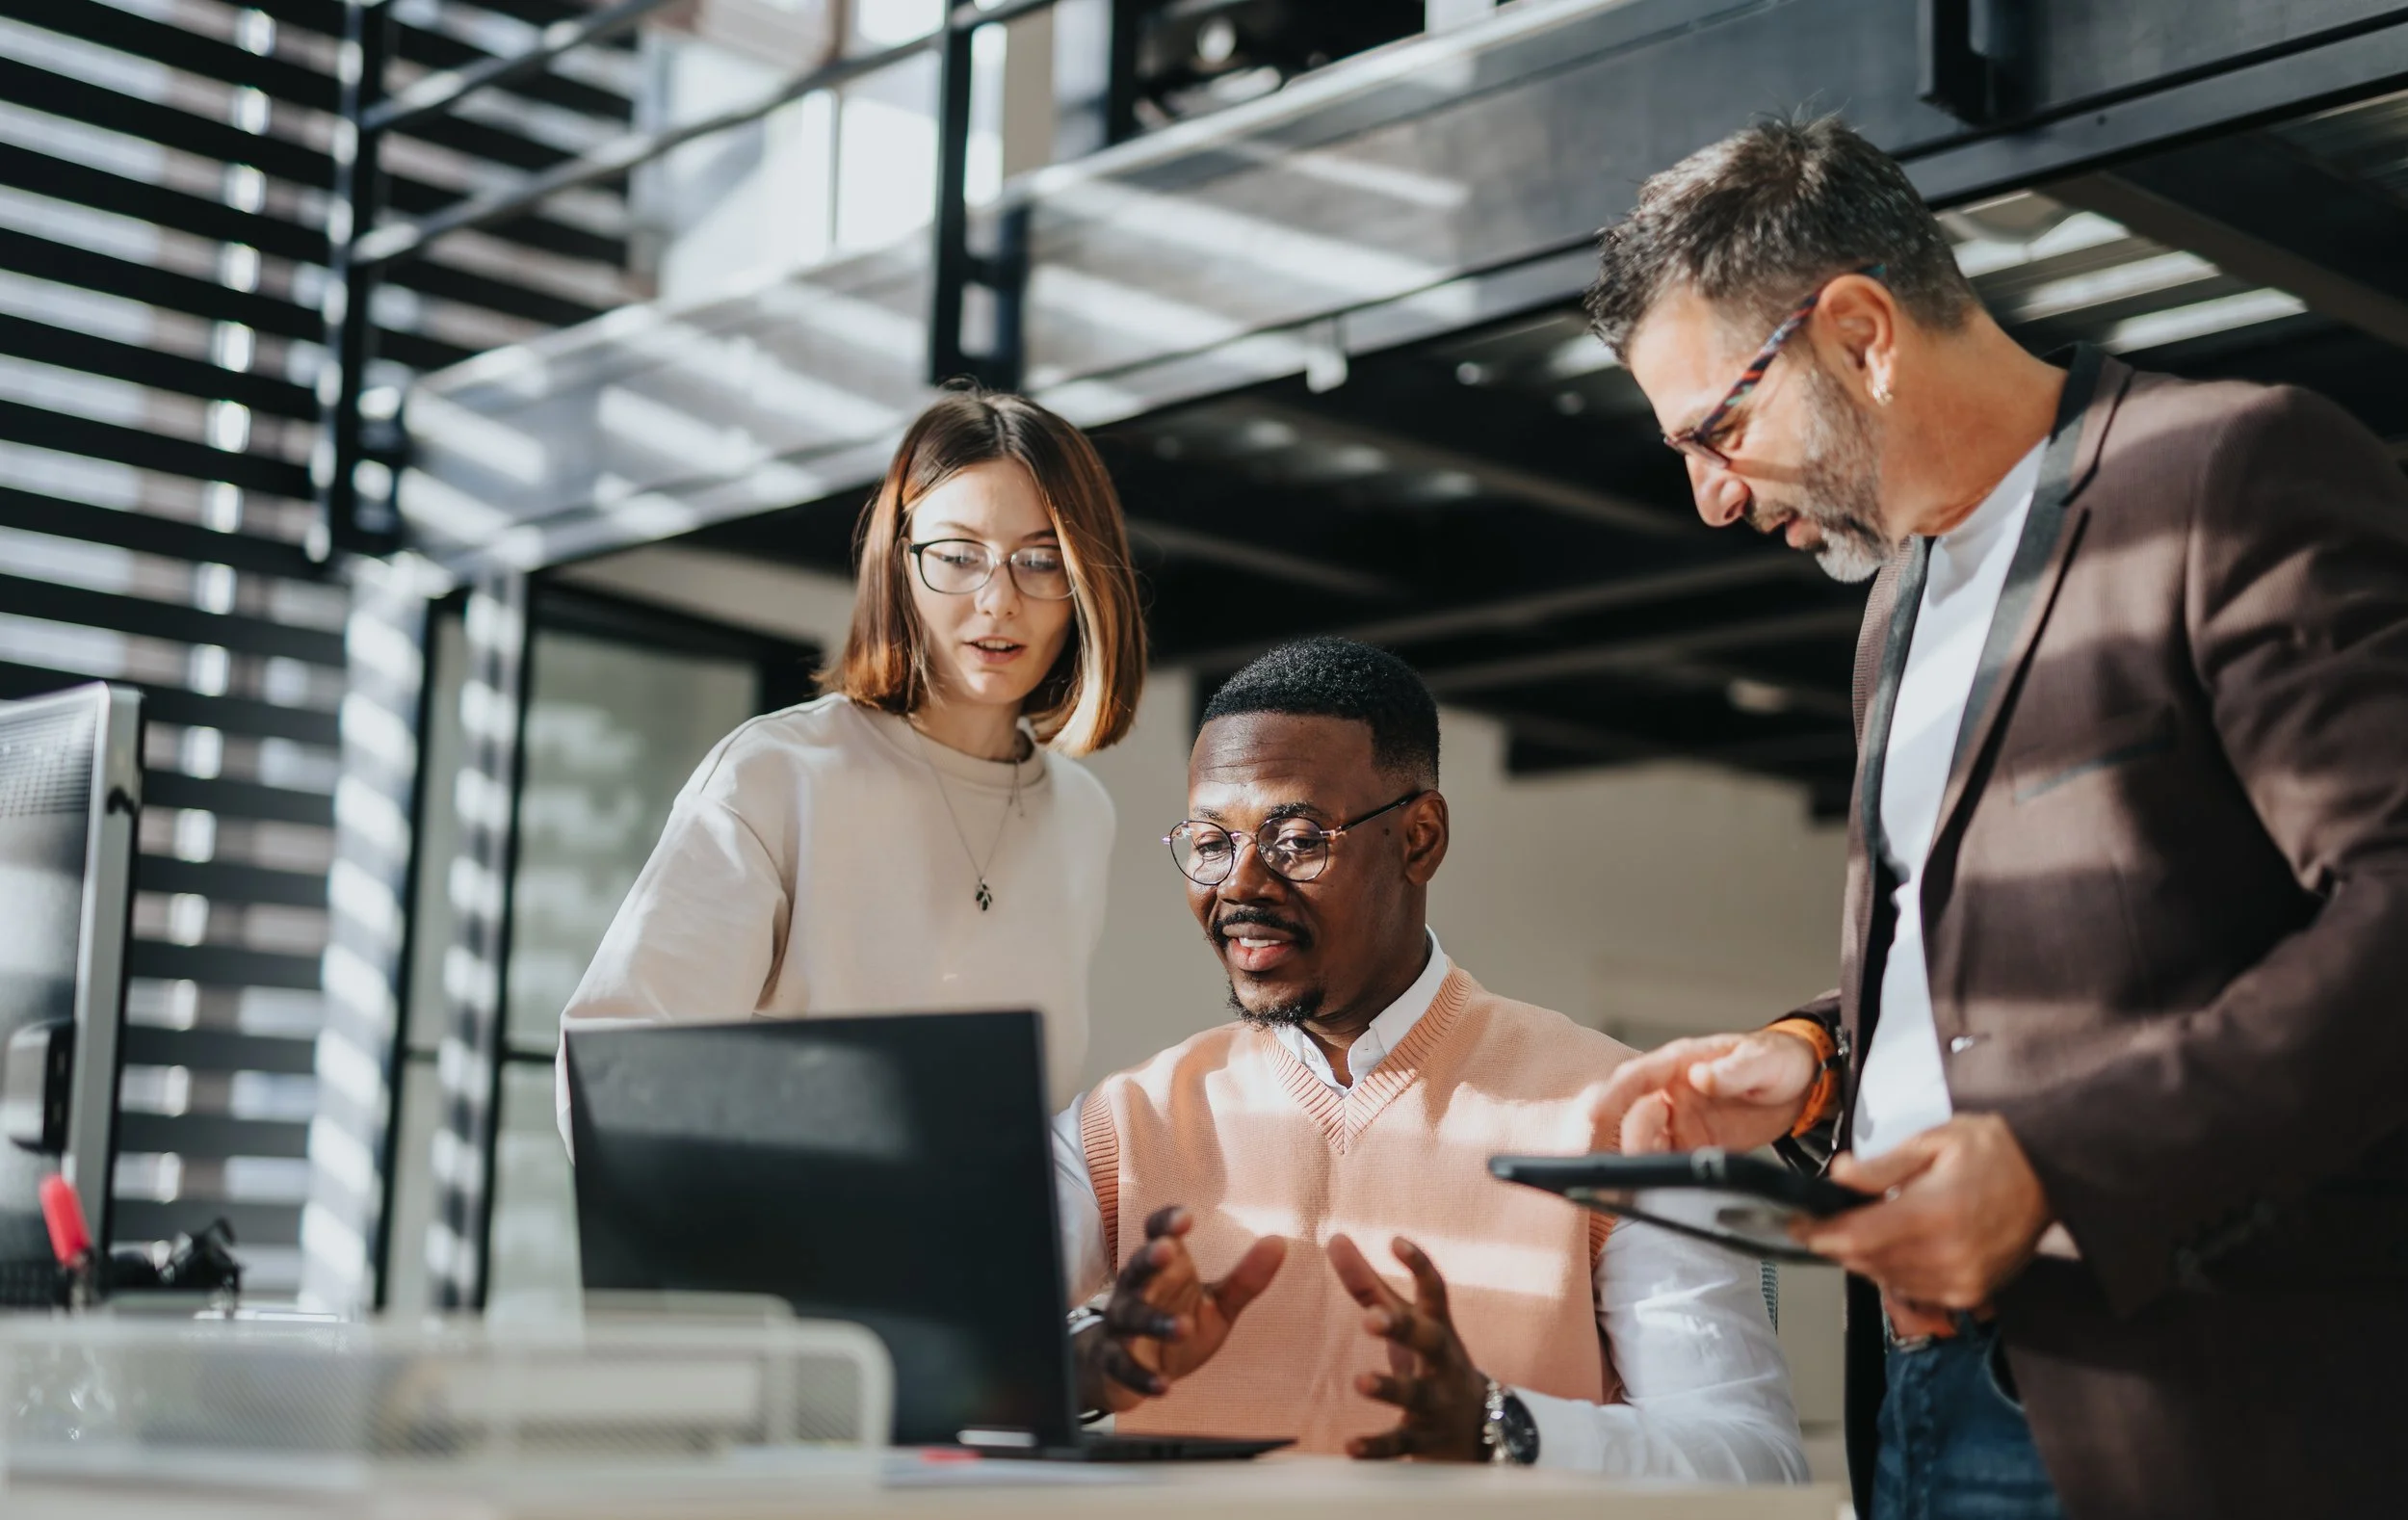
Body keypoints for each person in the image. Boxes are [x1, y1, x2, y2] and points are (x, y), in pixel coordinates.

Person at [1584, 116, 2408, 1520]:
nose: (1712, 498)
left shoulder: (2223, 478)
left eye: (1718, 428)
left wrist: (2053, 1168)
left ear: (1859, 332)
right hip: (1918, 1396)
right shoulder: (1895, 606)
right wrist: (1817, 1060)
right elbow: (2003, 978)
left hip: (2179, 1402)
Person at [1055, 638, 1808, 1480]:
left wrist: (1504, 1429)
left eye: (1297, 839)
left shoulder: (1625, 1116)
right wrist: (1080, 1372)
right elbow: (926, 1360)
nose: (1240, 885)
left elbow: (1757, 1459)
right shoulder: (1124, 1124)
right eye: (1208, 841)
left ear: (1420, 839)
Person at [557, 388, 1145, 1136]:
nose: (999, 600)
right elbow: (613, 1075)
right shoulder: (776, 775)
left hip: (984, 1251)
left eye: (1041, 560)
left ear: (1087, 582)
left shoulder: (1082, 813)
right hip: (783, 1243)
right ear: (898, 564)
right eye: (959, 556)